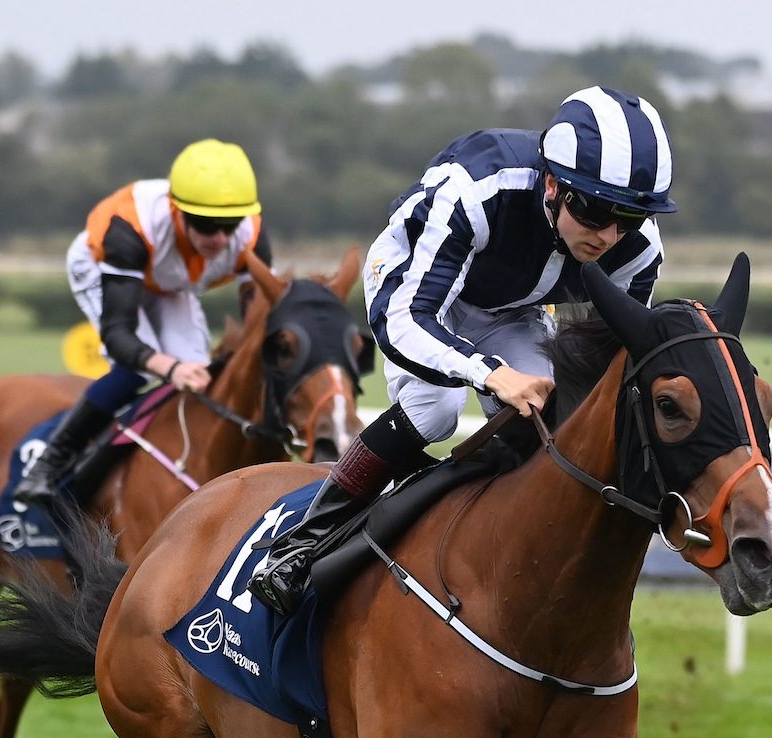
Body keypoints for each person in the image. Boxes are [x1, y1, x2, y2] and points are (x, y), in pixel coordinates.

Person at [247, 86, 671, 615]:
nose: (609, 235)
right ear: (552, 184)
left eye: (629, 218)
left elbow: (615, 371)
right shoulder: (475, 189)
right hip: (415, 292)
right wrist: (491, 374)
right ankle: (302, 543)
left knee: (547, 419)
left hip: (513, 311)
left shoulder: (638, 250)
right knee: (436, 411)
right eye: (592, 211)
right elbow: (406, 319)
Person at [12, 138, 273, 507]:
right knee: (139, 371)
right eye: (206, 225)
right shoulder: (129, 230)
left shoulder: (253, 236)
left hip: (169, 282)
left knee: (200, 376)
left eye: (229, 226)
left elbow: (260, 320)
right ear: (177, 210)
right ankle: (49, 464)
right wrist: (169, 366)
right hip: (105, 269)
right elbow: (119, 335)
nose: (219, 239)